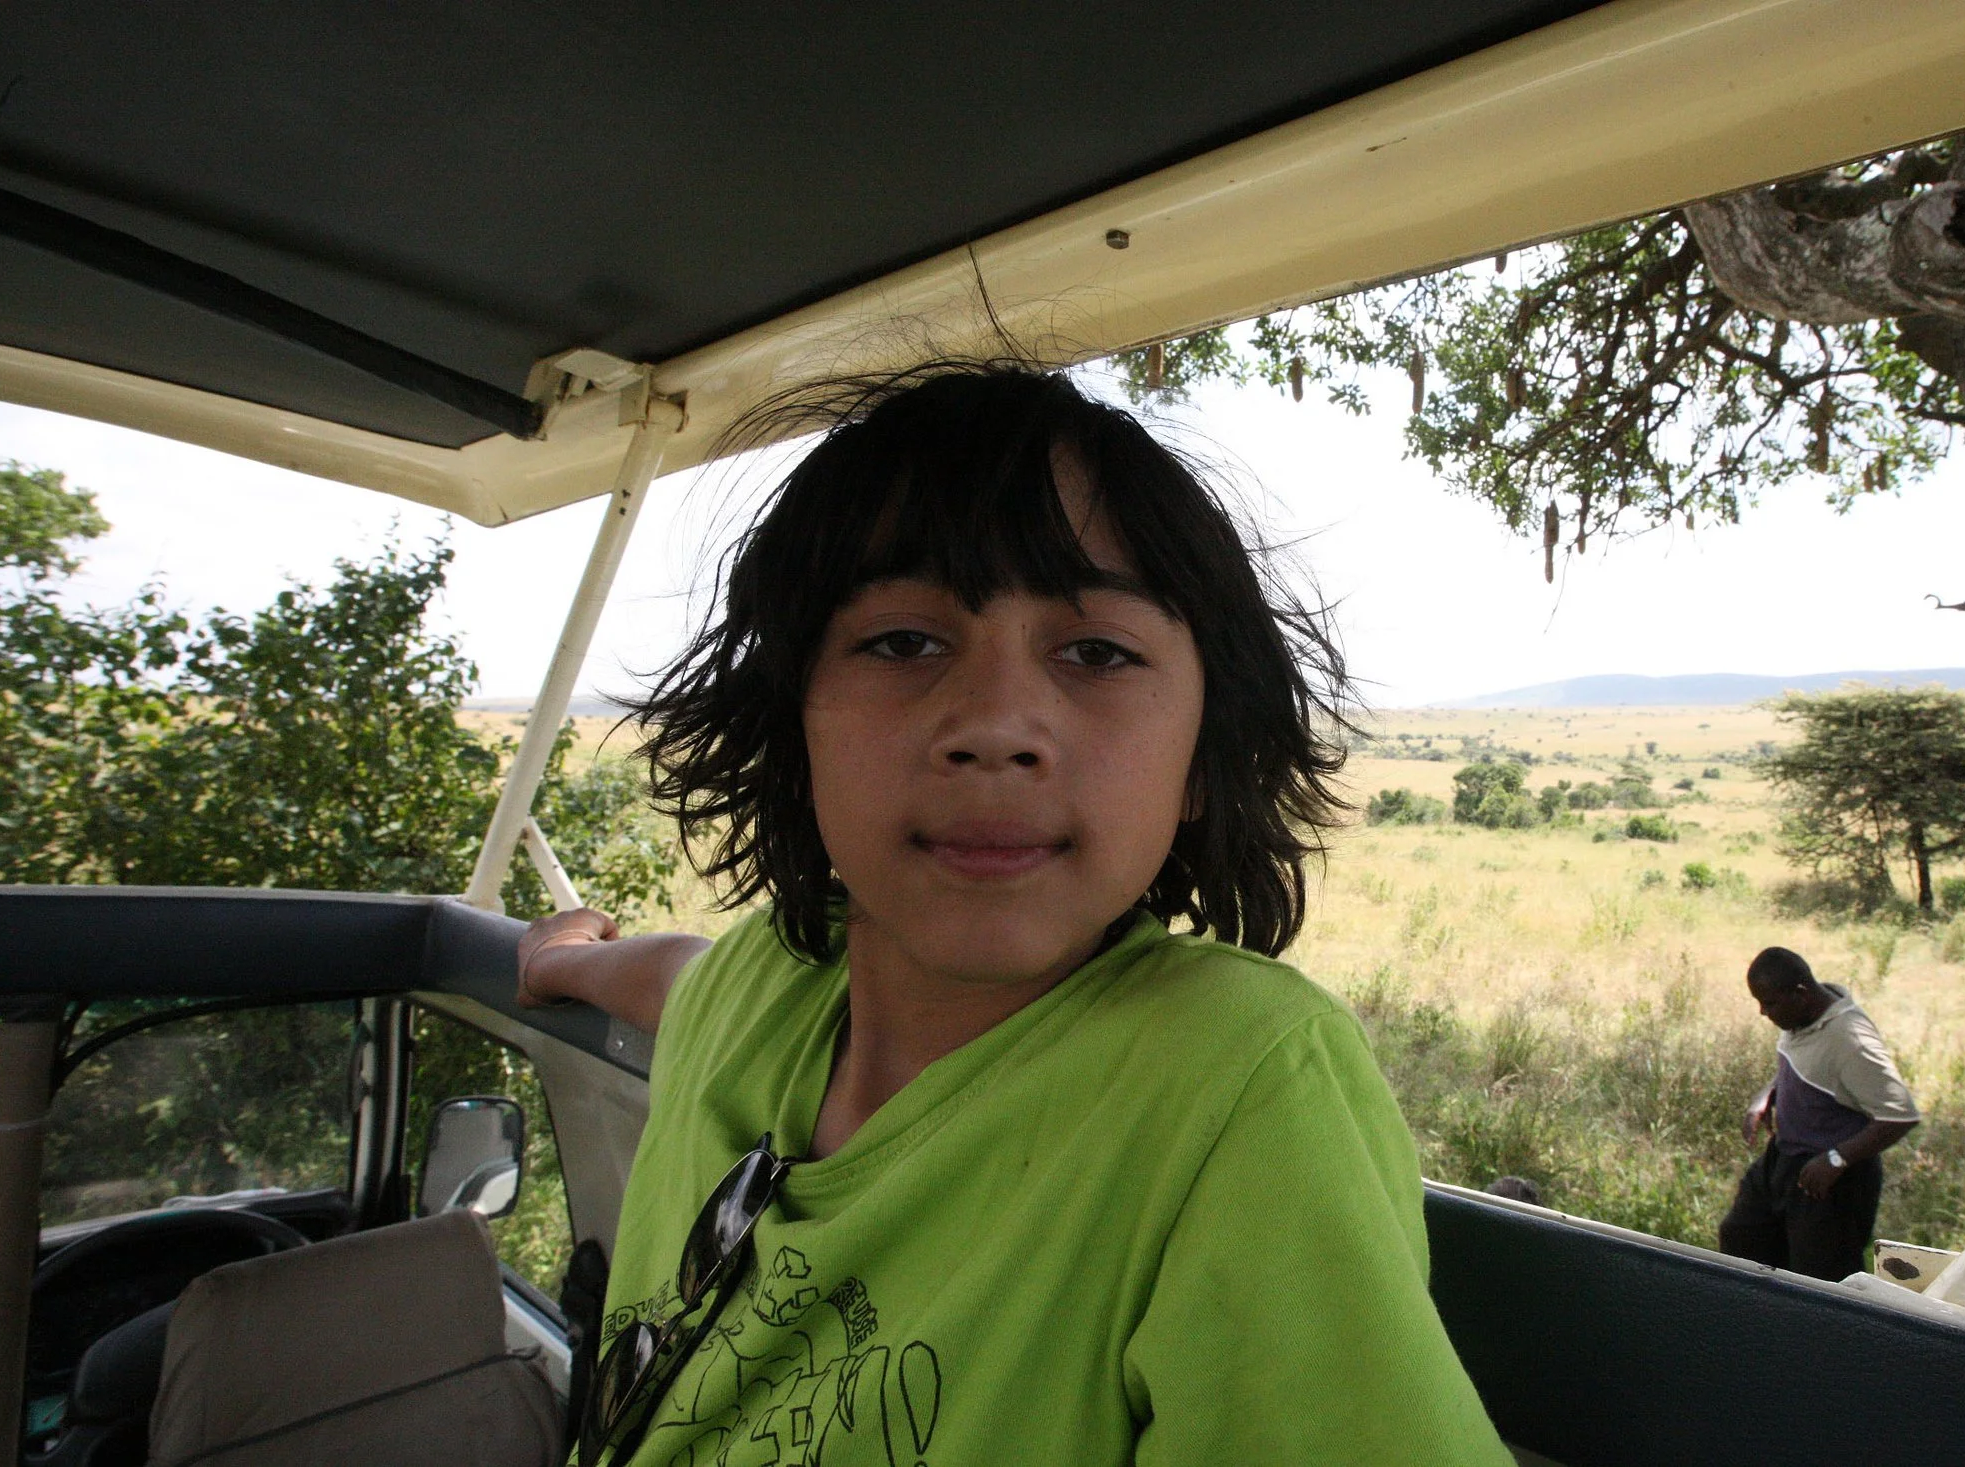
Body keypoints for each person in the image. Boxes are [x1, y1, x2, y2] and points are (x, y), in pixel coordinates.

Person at [515, 365, 1513, 1467]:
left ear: (1199, 760)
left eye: (1095, 653)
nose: (996, 725)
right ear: (794, 725)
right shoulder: (768, 980)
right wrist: (573, 959)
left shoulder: (1234, 1086)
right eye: (902, 642)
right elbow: (677, 979)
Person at [1717, 946, 1920, 1282]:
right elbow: (1807, 1062)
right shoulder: (1803, 1017)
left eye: (1769, 1003)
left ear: (1801, 994)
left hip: (1828, 1179)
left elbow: (1900, 1115)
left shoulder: (1851, 1039)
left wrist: (1837, 1159)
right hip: (1784, 1158)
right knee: (1743, 1240)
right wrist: (1767, 1095)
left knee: (1820, 1280)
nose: (1763, 1012)